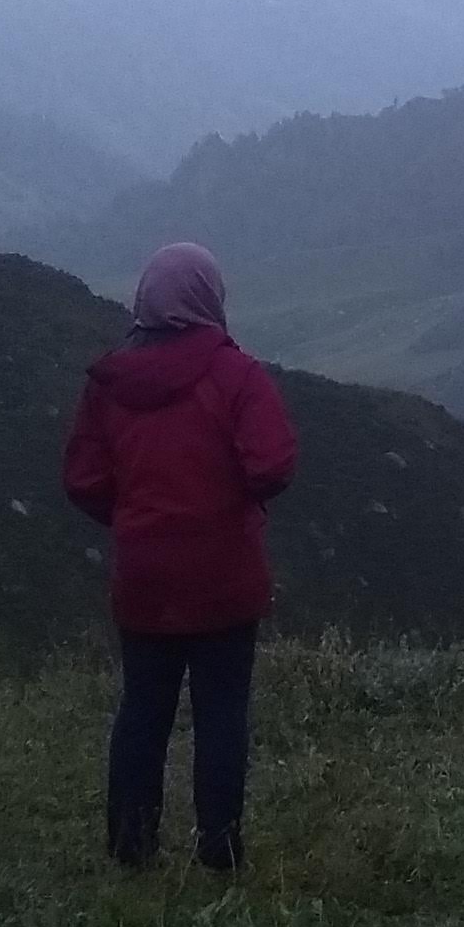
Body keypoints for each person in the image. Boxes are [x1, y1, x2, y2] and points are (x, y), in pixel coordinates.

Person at [61, 241, 298, 870]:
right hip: (224, 572)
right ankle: (219, 851)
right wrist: (229, 501)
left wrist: (136, 518)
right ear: (209, 298)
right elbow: (273, 464)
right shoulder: (237, 375)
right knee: (221, 714)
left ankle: (130, 848)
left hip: (144, 575)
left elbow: (83, 480)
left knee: (143, 708)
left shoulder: (109, 382)